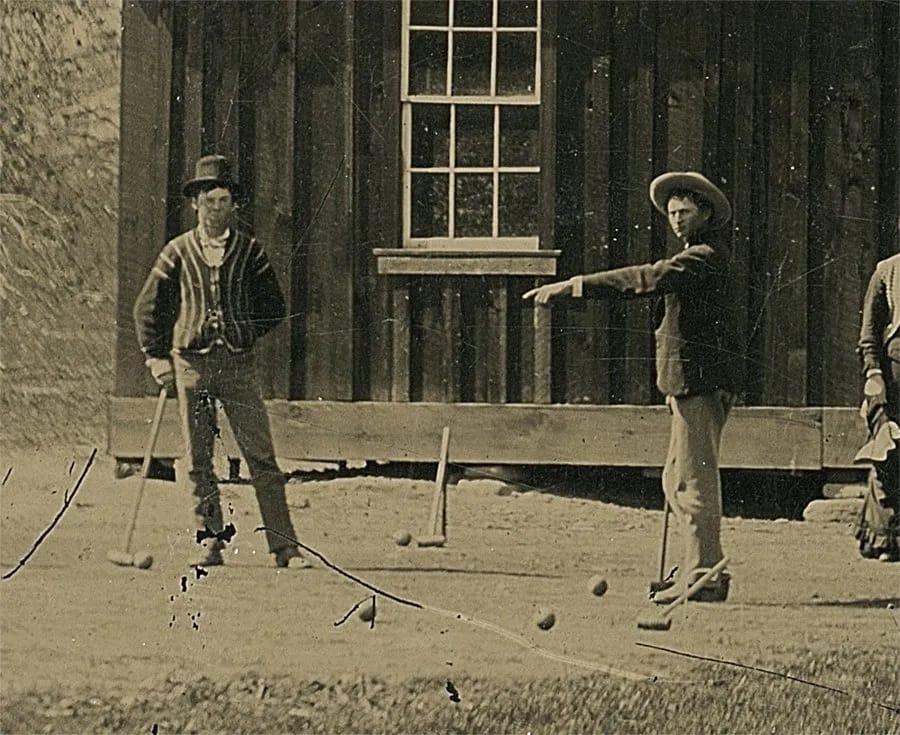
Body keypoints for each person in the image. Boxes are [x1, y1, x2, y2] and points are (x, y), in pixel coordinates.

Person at [523, 171, 739, 603]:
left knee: (692, 482)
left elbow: (647, 278)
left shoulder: (705, 256)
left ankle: (704, 577)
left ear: (707, 213)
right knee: (676, 479)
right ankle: (698, 568)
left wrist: (575, 286)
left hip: (699, 382)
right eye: (673, 213)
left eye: (686, 212)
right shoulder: (696, 255)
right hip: (686, 382)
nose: (677, 220)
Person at [133, 154, 310, 569]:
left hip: (237, 366)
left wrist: (242, 331)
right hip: (190, 365)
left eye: (223, 200)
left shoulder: (250, 252)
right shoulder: (176, 251)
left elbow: (274, 306)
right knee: (197, 459)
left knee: (261, 456)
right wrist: (157, 359)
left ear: (234, 205)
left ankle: (285, 547)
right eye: (208, 200)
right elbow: (147, 309)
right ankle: (209, 542)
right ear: (195, 203)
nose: (216, 208)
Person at [854, 253, 900, 562]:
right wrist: (874, 374)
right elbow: (870, 333)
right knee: (890, 453)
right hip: (895, 378)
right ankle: (887, 538)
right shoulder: (888, 271)